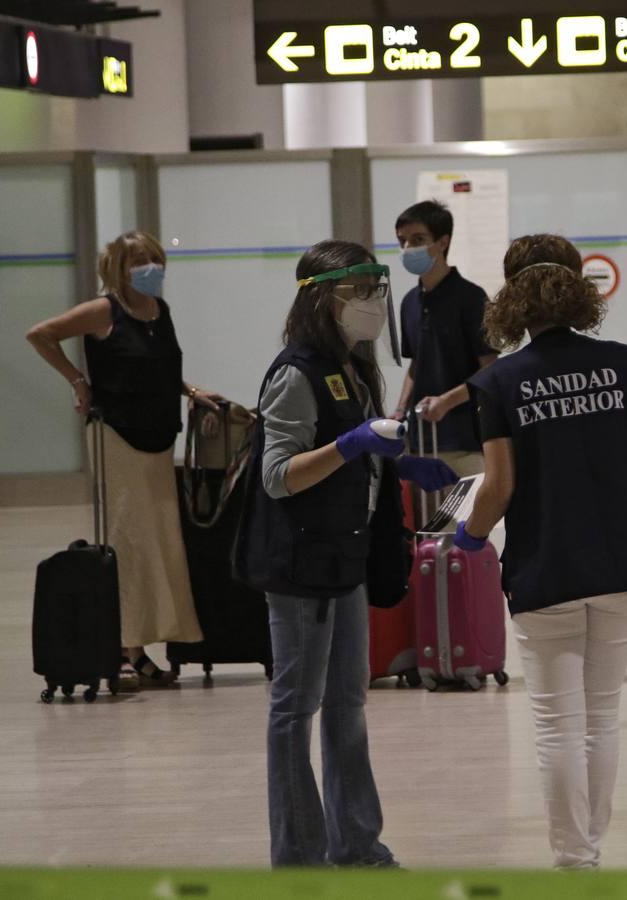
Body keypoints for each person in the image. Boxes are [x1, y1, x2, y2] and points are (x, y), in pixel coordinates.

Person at [457, 234, 627, 870]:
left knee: (558, 724)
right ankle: (592, 847)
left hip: (545, 565)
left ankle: (574, 860)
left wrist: (469, 536)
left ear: (512, 297)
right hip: (624, 562)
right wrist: (619, 493)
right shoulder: (620, 363)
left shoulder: (498, 381)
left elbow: (499, 488)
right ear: (578, 286)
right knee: (602, 717)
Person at [233, 240, 456, 867]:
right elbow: (278, 475)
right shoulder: (296, 373)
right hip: (301, 567)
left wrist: (400, 461)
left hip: (345, 560)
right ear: (322, 297)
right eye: (359, 292)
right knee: (294, 710)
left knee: (348, 707)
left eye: (375, 290)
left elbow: (357, 457)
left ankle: (357, 846)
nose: (372, 305)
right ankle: (297, 858)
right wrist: (353, 445)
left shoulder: (351, 366)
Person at [26, 230, 213, 691]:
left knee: (160, 542)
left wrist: (191, 391)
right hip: (117, 437)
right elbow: (41, 334)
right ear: (118, 268)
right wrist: (77, 380)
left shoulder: (159, 311)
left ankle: (143, 644)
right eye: (138, 261)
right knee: (127, 541)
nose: (150, 268)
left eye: (153, 258)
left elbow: (158, 367)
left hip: (158, 437)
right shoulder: (103, 311)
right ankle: (124, 649)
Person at [391, 201, 499, 483]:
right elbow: (417, 365)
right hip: (421, 442)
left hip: (466, 441)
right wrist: (400, 411)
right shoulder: (409, 303)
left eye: (418, 240)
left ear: (443, 242)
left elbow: (490, 368)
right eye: (402, 241)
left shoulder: (471, 298)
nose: (408, 249)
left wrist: (447, 401)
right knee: (427, 526)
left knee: (468, 524)